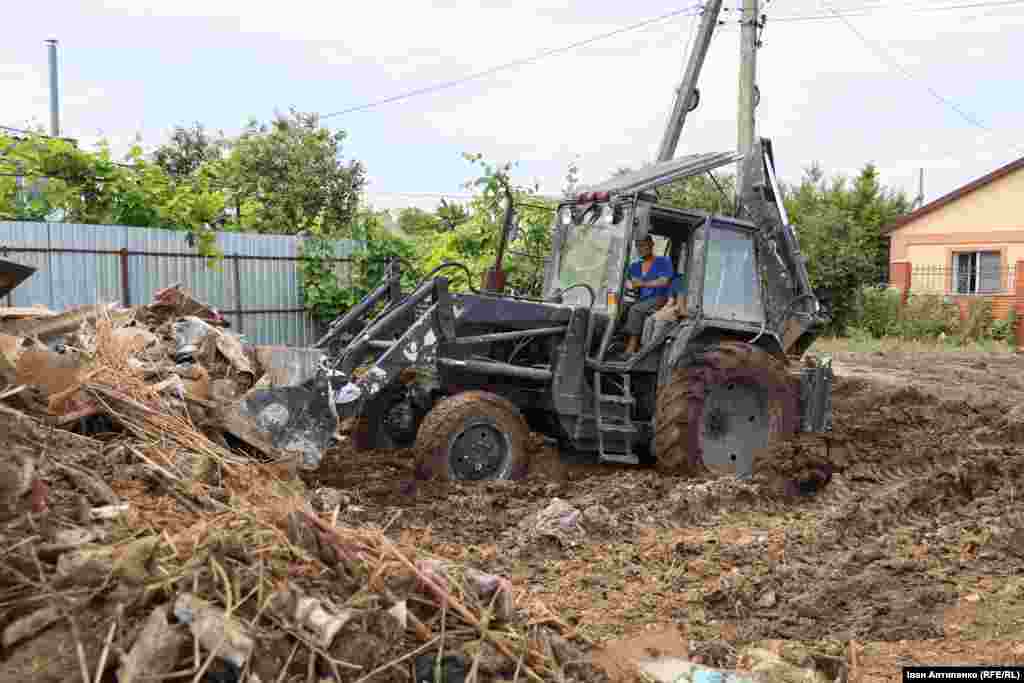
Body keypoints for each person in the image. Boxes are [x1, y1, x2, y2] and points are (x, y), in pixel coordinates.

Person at [623, 235, 674, 354]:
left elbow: (664, 281)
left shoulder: (663, 261)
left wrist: (642, 283)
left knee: (635, 310)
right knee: (621, 307)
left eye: (643, 245)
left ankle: (632, 346)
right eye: (637, 246)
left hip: (660, 298)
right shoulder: (634, 266)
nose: (640, 249)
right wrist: (629, 286)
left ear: (651, 245)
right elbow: (629, 283)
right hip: (641, 299)